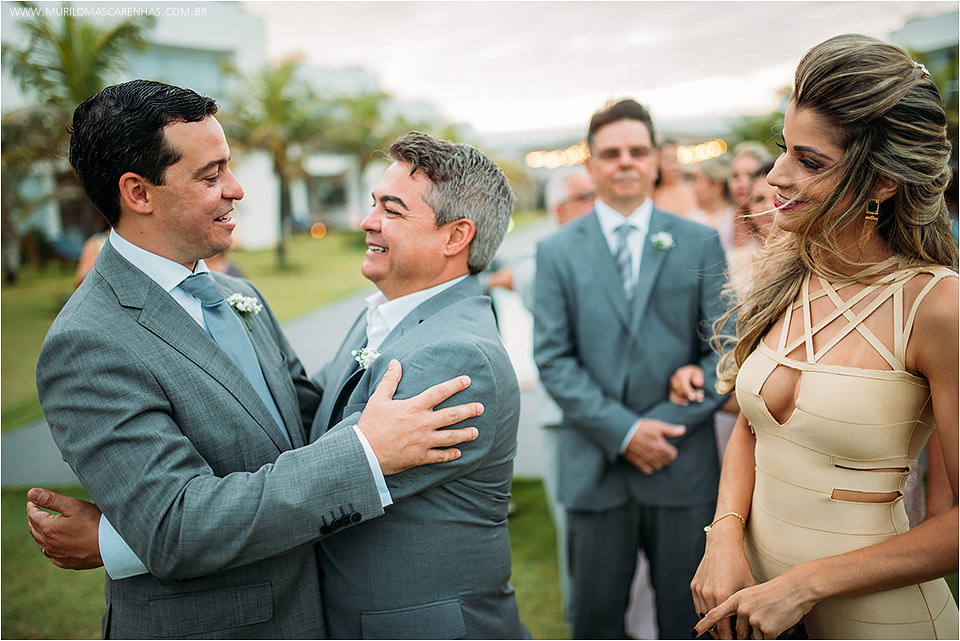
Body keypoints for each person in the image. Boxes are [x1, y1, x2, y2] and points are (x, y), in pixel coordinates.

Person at [29, 80, 481, 639]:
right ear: (138, 193)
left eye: (229, 167)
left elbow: (303, 424)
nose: (236, 189)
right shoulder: (89, 343)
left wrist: (116, 539)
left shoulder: (236, 295)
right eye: (210, 175)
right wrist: (366, 457)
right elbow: (174, 527)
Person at [692, 34, 959, 639]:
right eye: (785, 149)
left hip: (885, 622)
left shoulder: (937, 306)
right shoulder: (789, 270)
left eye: (810, 161)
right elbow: (752, 427)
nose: (776, 176)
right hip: (761, 613)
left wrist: (804, 584)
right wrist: (725, 534)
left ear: (883, 183)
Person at [305, 131, 526, 638]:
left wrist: (155, 533)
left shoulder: (454, 356)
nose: (367, 221)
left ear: (455, 236)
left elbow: (319, 489)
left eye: (392, 209)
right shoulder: (386, 313)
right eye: (372, 204)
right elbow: (308, 408)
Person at [534, 98, 729, 639]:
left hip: (680, 462)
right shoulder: (556, 252)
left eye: (638, 151)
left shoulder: (698, 240)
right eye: (611, 152)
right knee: (594, 619)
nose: (626, 162)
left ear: (655, 162)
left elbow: (723, 349)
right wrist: (624, 432)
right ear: (590, 163)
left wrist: (663, 425)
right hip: (595, 468)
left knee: (687, 622)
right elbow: (553, 357)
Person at [653, 139, 698, 217]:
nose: (674, 166)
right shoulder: (650, 193)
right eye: (668, 160)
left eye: (676, 159)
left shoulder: (693, 191)